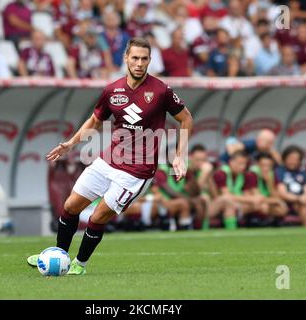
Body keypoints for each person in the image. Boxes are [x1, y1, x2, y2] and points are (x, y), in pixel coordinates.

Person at [27, 37, 193, 275]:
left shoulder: (161, 91)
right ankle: (58, 256)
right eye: (134, 58)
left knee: (98, 216)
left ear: (149, 61)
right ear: (126, 58)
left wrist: (180, 155)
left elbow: (186, 118)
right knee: (70, 206)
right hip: (108, 161)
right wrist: (71, 144)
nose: (139, 63)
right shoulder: (112, 90)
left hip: (137, 172)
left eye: (144, 59)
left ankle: (80, 264)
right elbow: (95, 121)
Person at [211, 150, 263, 229]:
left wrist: (254, 199)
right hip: (214, 204)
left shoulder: (243, 175)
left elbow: (246, 194)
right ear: (231, 162)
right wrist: (251, 199)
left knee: (257, 205)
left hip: (233, 204)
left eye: (244, 164)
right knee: (227, 201)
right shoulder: (221, 173)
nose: (243, 166)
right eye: (240, 163)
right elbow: (226, 196)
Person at [276, 145, 306, 227]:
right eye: (290, 158)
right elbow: (282, 193)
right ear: (285, 158)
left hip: (303, 202)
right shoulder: (279, 171)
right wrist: (298, 199)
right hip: (287, 203)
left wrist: (305, 198)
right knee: (302, 205)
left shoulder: (304, 173)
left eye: (296, 159)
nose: (293, 161)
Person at [249, 152, 288, 221]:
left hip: (268, 201)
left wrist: (268, 182)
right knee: (264, 206)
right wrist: (277, 201)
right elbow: (258, 197)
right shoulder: (252, 174)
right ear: (257, 164)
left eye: (268, 165)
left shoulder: (272, 174)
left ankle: (271, 223)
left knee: (282, 209)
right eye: (263, 165)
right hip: (253, 202)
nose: (265, 168)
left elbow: (276, 196)